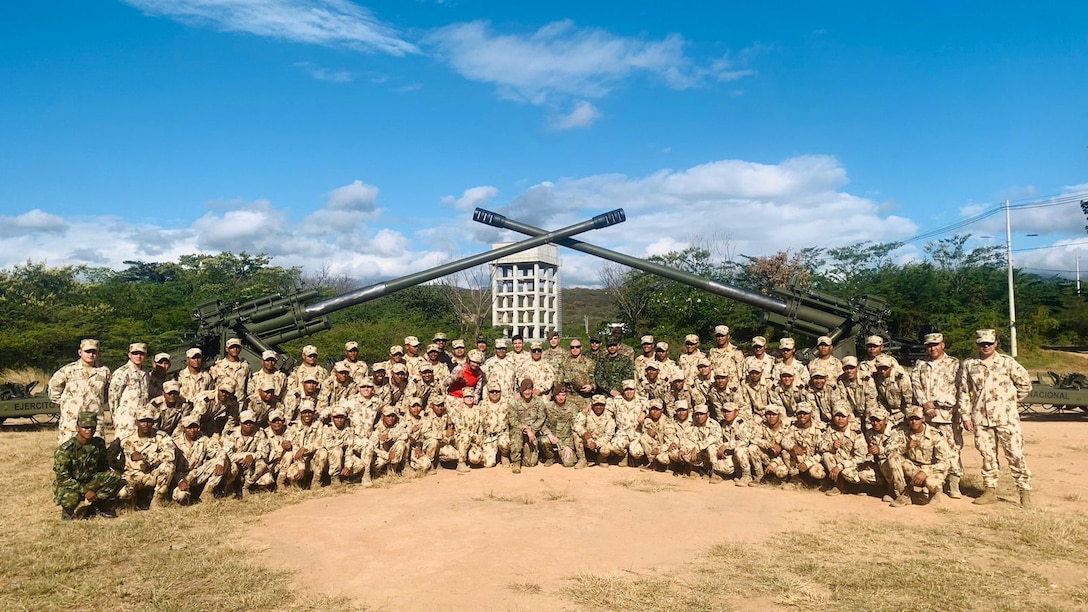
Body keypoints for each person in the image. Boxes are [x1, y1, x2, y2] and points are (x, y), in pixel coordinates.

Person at [957, 328, 1035, 507]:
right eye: (982, 344)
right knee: (987, 456)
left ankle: (1024, 491)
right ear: (977, 345)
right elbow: (963, 391)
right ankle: (990, 490)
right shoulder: (970, 365)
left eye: (989, 343)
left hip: (1006, 419)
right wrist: (965, 416)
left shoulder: (1007, 363)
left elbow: (1025, 384)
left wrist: (1009, 402)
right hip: (981, 420)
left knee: (1015, 454)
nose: (986, 346)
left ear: (995, 344)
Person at [911, 332, 964, 498]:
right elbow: (915, 384)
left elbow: (957, 390)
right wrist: (926, 404)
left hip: (947, 416)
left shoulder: (954, 364)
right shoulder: (921, 364)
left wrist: (936, 403)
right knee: (929, 451)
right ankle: (933, 483)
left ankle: (954, 483)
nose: (932, 348)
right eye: (929, 346)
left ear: (943, 345)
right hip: (927, 416)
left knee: (952, 449)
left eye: (935, 345)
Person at [53, 411, 123, 520]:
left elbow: (103, 466)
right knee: (70, 498)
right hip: (72, 484)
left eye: (92, 427)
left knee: (114, 477)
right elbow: (63, 477)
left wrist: (97, 486)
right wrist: (85, 491)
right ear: (77, 428)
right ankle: (68, 512)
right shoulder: (66, 450)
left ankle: (97, 505)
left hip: (89, 481)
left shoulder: (98, 444)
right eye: (85, 427)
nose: (89, 430)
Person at [886, 405, 954, 507]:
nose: (914, 422)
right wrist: (905, 447)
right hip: (913, 468)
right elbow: (888, 450)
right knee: (893, 457)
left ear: (923, 419)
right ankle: (904, 495)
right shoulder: (902, 432)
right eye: (911, 419)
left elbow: (946, 463)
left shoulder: (934, 435)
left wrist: (925, 472)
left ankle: (933, 494)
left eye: (917, 419)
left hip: (931, 469)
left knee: (932, 484)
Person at [49, 339, 111, 443]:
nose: (91, 354)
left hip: (94, 421)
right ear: (80, 352)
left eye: (94, 352)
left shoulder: (104, 371)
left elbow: (107, 393)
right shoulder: (68, 370)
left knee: (95, 453)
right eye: (87, 351)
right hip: (72, 421)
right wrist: (66, 404)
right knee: (68, 452)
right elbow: (54, 388)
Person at [116, 408, 177, 509]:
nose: (146, 424)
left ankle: (157, 500)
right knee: (123, 493)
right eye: (142, 421)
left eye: (149, 421)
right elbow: (132, 456)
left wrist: (147, 457)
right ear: (136, 422)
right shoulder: (128, 439)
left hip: (153, 473)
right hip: (134, 474)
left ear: (153, 422)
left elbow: (171, 454)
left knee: (168, 466)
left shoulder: (161, 436)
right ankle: (132, 501)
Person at [171, 414, 227, 504]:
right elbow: (171, 466)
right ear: (183, 428)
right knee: (181, 497)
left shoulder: (204, 439)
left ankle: (207, 493)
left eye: (195, 427)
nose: (193, 430)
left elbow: (219, 451)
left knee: (221, 462)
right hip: (181, 476)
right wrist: (180, 481)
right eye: (189, 427)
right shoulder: (175, 442)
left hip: (197, 473)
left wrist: (220, 463)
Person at [818, 406, 869, 495]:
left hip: (853, 464)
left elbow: (861, 458)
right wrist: (831, 447)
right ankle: (838, 486)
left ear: (848, 418)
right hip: (839, 460)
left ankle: (858, 487)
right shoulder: (831, 429)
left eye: (843, 416)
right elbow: (821, 446)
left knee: (849, 474)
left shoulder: (856, 433)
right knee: (826, 455)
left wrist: (841, 465)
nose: (840, 419)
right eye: (837, 416)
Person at [221, 409, 273, 497]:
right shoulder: (231, 434)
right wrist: (245, 456)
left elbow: (264, 452)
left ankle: (246, 487)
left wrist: (252, 456)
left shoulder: (260, 433)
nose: (248, 425)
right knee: (233, 467)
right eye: (245, 423)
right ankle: (228, 489)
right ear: (240, 423)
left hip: (250, 465)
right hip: (235, 463)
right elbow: (228, 454)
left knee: (263, 467)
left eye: (251, 423)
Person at [108, 342, 150, 442]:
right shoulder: (122, 372)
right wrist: (115, 417)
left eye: (141, 354)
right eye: (135, 353)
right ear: (129, 355)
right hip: (126, 419)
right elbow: (113, 397)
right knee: (123, 446)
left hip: (142, 419)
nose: (138, 356)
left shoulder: (146, 373)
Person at [507, 379, 548, 473]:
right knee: (516, 434)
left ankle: (530, 452)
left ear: (532, 389)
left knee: (531, 463)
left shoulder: (539, 401)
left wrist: (532, 430)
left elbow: (541, 418)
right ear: (521, 390)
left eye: (529, 389)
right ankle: (516, 462)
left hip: (533, 432)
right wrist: (526, 429)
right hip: (519, 430)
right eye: (525, 390)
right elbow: (513, 420)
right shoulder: (514, 402)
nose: (527, 392)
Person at [573, 395, 616, 468]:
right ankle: (582, 459)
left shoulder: (609, 417)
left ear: (604, 405)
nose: (598, 407)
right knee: (576, 435)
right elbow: (577, 425)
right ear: (592, 405)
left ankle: (601, 458)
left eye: (601, 405)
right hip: (589, 439)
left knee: (606, 450)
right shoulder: (586, 413)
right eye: (596, 405)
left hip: (601, 440)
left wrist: (596, 444)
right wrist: (584, 433)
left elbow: (608, 435)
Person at [540, 385, 577, 467]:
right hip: (553, 437)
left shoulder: (572, 407)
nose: (561, 397)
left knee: (569, 464)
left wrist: (570, 445)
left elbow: (575, 427)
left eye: (563, 395)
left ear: (566, 395)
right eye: (558, 395)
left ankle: (563, 454)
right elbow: (542, 424)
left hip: (566, 439)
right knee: (544, 440)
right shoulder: (548, 407)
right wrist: (549, 435)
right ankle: (550, 457)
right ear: (554, 395)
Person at [558, 339, 596, 411]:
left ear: (581, 348)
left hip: (584, 398)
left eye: (577, 347)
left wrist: (591, 386)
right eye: (572, 347)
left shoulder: (589, 363)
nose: (575, 349)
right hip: (569, 398)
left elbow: (594, 379)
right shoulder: (564, 363)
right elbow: (559, 380)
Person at [637, 398, 675, 472]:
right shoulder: (648, 420)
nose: (655, 412)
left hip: (665, 447)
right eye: (652, 409)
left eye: (657, 409)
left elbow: (670, 441)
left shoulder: (668, 422)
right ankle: (652, 462)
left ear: (662, 410)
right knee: (643, 438)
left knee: (663, 459)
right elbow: (646, 433)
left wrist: (659, 450)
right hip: (656, 445)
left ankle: (670, 466)